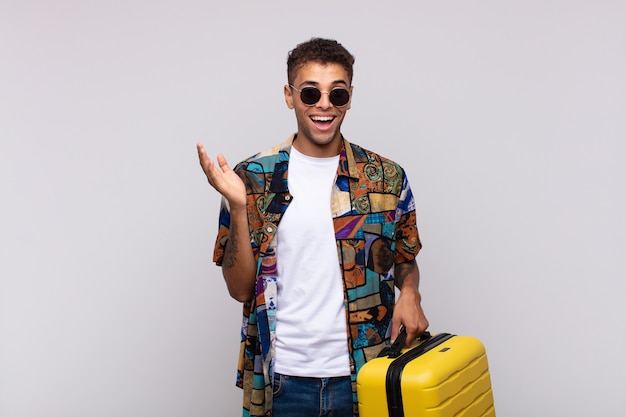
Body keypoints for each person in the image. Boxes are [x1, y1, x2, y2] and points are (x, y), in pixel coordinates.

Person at [197, 37, 429, 417]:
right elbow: (240, 289)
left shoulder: (386, 178)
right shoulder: (253, 179)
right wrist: (238, 208)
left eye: (337, 94)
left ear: (350, 97)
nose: (324, 104)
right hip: (283, 380)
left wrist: (410, 290)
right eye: (310, 93)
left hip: (369, 373)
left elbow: (404, 258)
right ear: (289, 96)